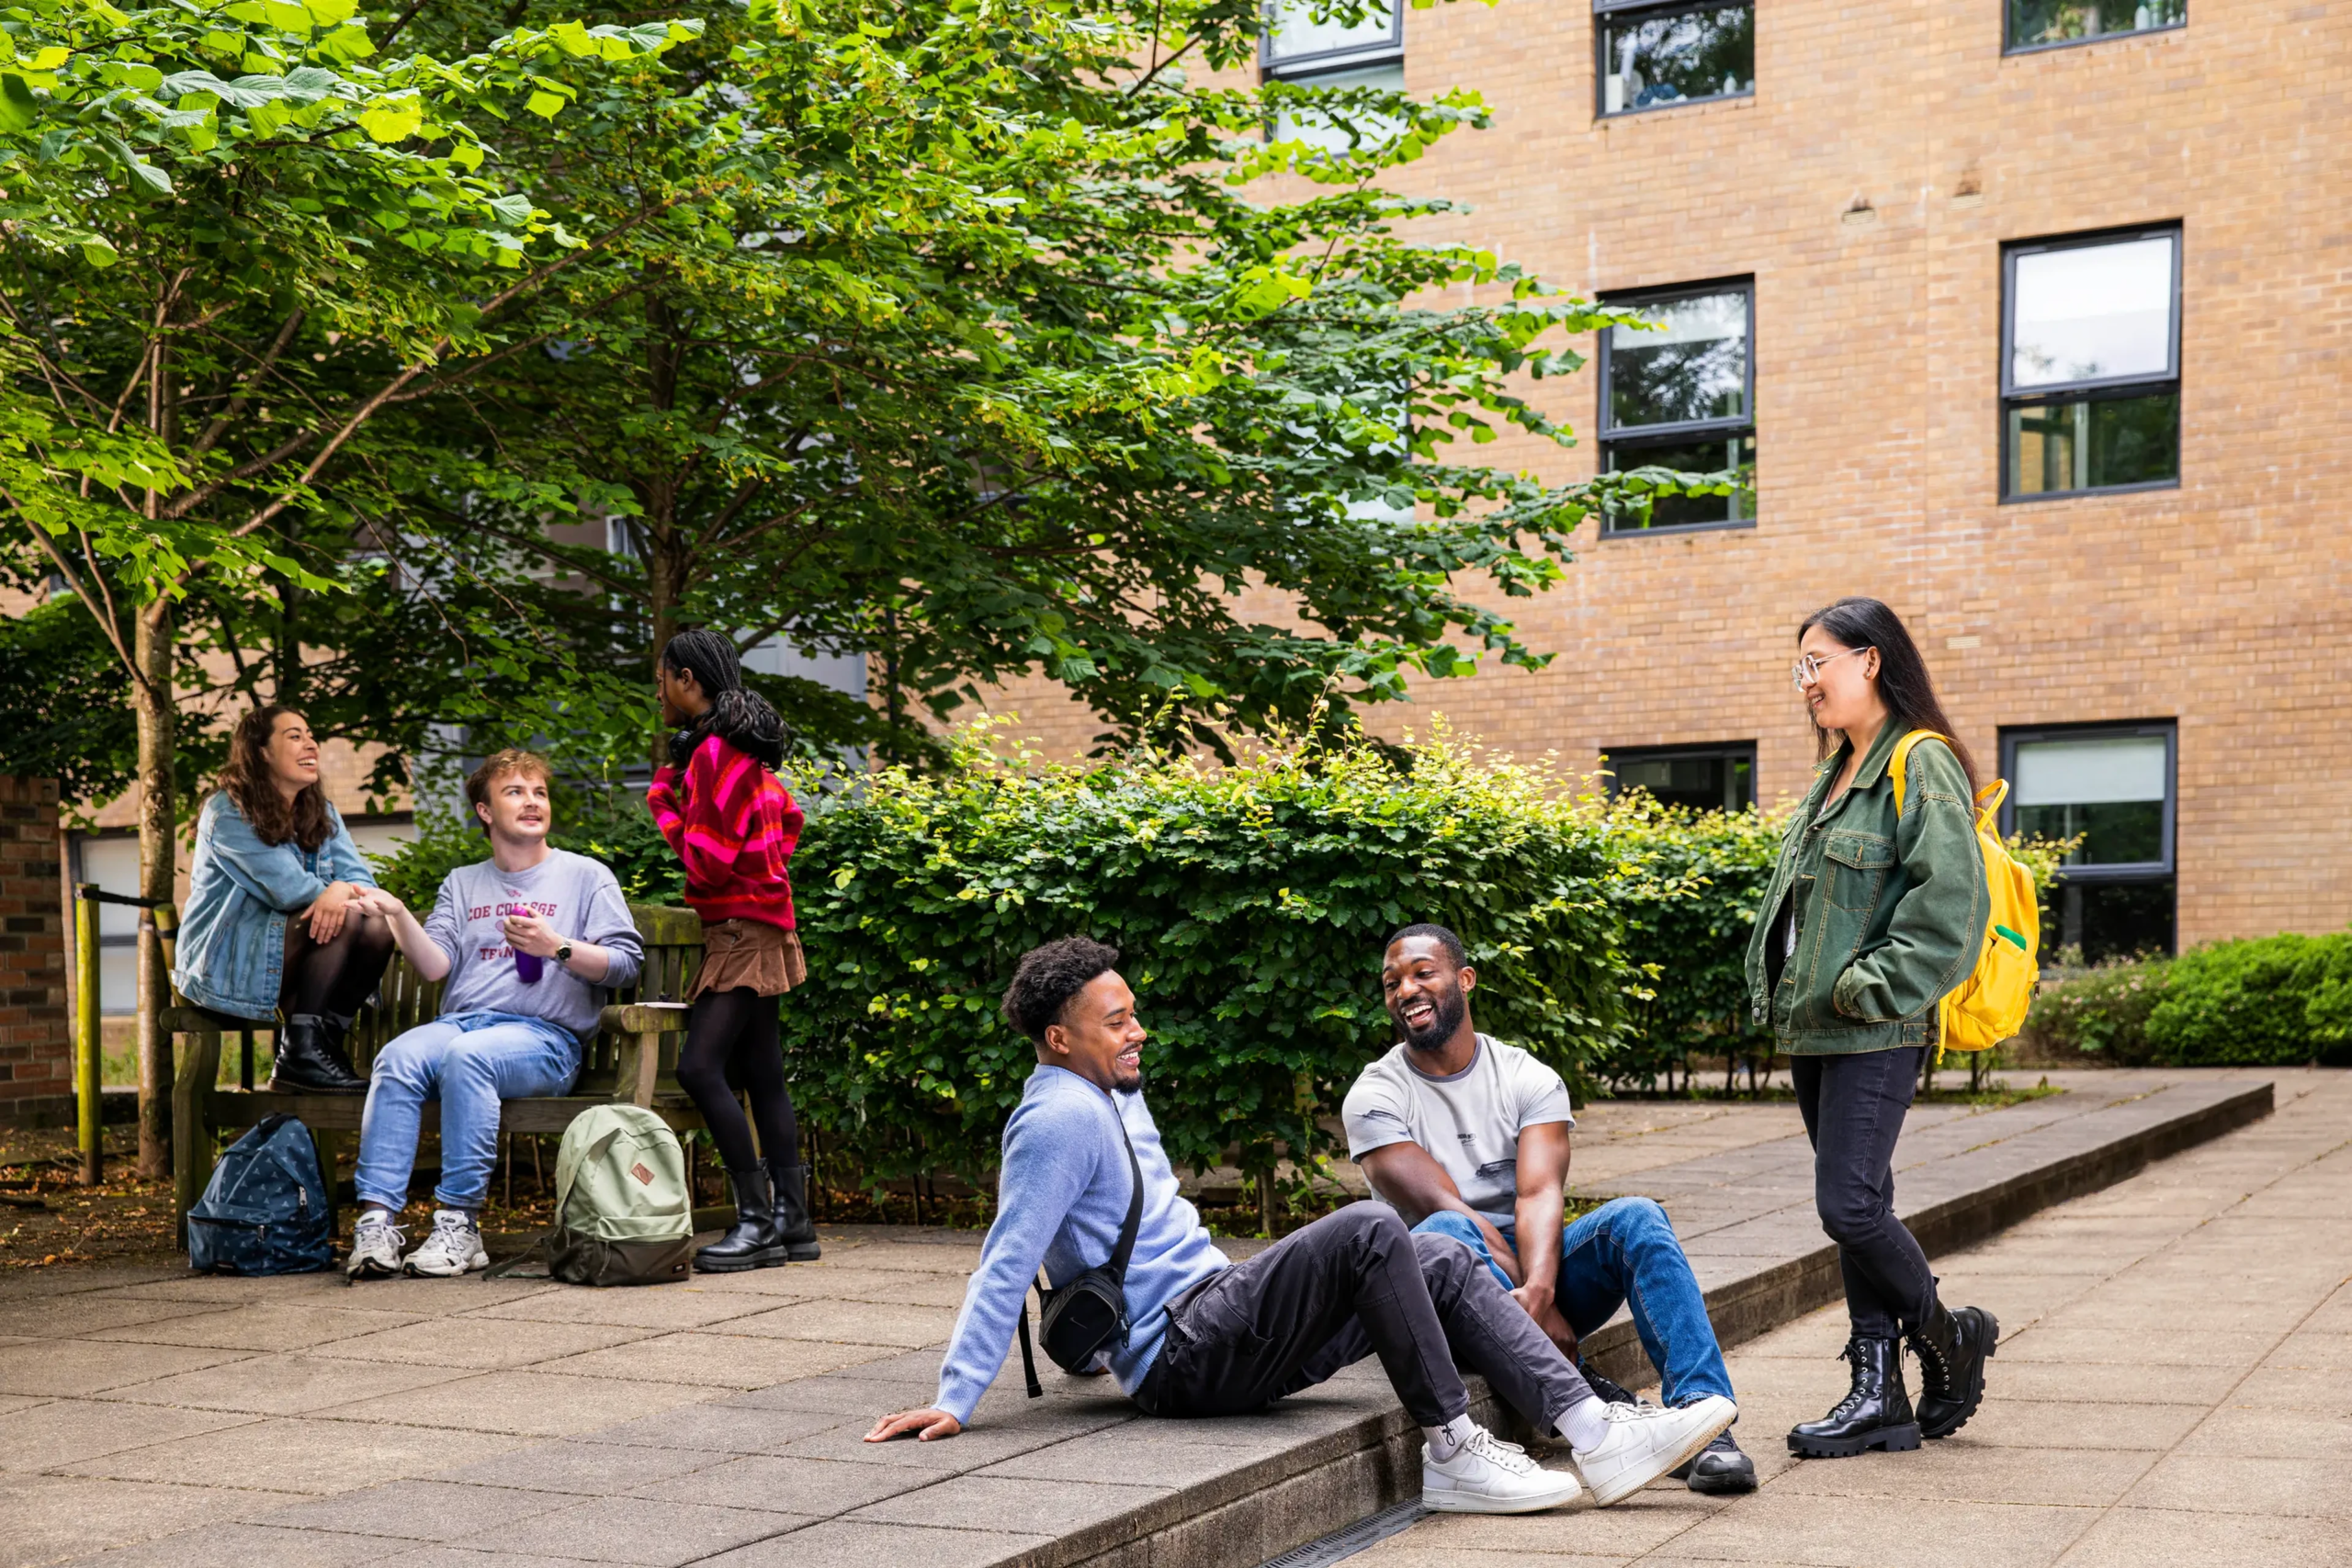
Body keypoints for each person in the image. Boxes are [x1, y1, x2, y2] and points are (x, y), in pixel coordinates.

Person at [865, 937, 1737, 1513]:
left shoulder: (1107, 1090)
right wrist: (954, 1395)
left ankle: (1596, 1434)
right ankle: (1455, 1451)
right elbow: (1008, 1255)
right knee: (1367, 1226)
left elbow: (1107, 1236)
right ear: (1058, 1038)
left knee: (1431, 1255)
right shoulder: (1057, 1116)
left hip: (1216, 1320)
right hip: (1186, 1350)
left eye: (1133, 1010)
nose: (1140, 1030)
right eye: (1117, 1020)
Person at [1341, 923, 1757, 1495]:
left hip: (1530, 1272)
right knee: (1444, 1229)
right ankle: (1593, 1400)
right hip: (1439, 1298)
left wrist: (1539, 1291)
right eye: (1392, 983)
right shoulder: (1375, 1096)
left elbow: (1539, 1193)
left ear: (1465, 979)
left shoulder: (1525, 1075)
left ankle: (1707, 1425)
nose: (1405, 990)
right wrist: (1538, 1305)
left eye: (1422, 973)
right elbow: (1446, 1206)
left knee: (1636, 1217)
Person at [1744, 596, 1998, 1457]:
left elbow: (1951, 909)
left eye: (1818, 661)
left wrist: (1870, 987)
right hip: (1815, 1032)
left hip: (1874, 1027)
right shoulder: (1837, 773)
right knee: (1864, 1204)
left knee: (1848, 1205)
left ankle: (1949, 1335)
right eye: (1800, 667)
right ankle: (1878, 1390)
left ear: (1871, 660)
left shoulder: (1919, 762)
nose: (1806, 681)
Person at [341, 750, 643, 1279]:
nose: (532, 802)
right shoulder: (463, 882)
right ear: (485, 811)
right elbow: (435, 966)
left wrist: (558, 947)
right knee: (397, 1057)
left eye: (539, 793)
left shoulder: (585, 876)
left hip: (545, 1041)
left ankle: (460, 1222)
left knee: (467, 1057)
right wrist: (395, 915)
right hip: (462, 1025)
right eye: (515, 792)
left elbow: (626, 965)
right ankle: (376, 1224)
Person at [646, 629, 818, 1271]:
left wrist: (666, 807)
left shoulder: (717, 751)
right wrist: (761, 868)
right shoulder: (740, 750)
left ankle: (756, 1223)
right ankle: (793, 1225)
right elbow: (787, 818)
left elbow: (709, 863)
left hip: (742, 927)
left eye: (661, 679)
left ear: (687, 679)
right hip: (760, 921)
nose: (658, 692)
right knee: (762, 1075)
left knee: (699, 1068)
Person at [174, 705, 393, 1094]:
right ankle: (300, 1054)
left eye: (311, 734)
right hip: (230, 964)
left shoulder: (321, 811)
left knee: (377, 924)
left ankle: (320, 1043)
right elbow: (289, 889)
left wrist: (343, 888)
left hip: (291, 957)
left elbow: (362, 881)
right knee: (346, 915)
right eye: (294, 736)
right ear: (261, 751)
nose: (311, 743)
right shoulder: (227, 811)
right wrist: (339, 892)